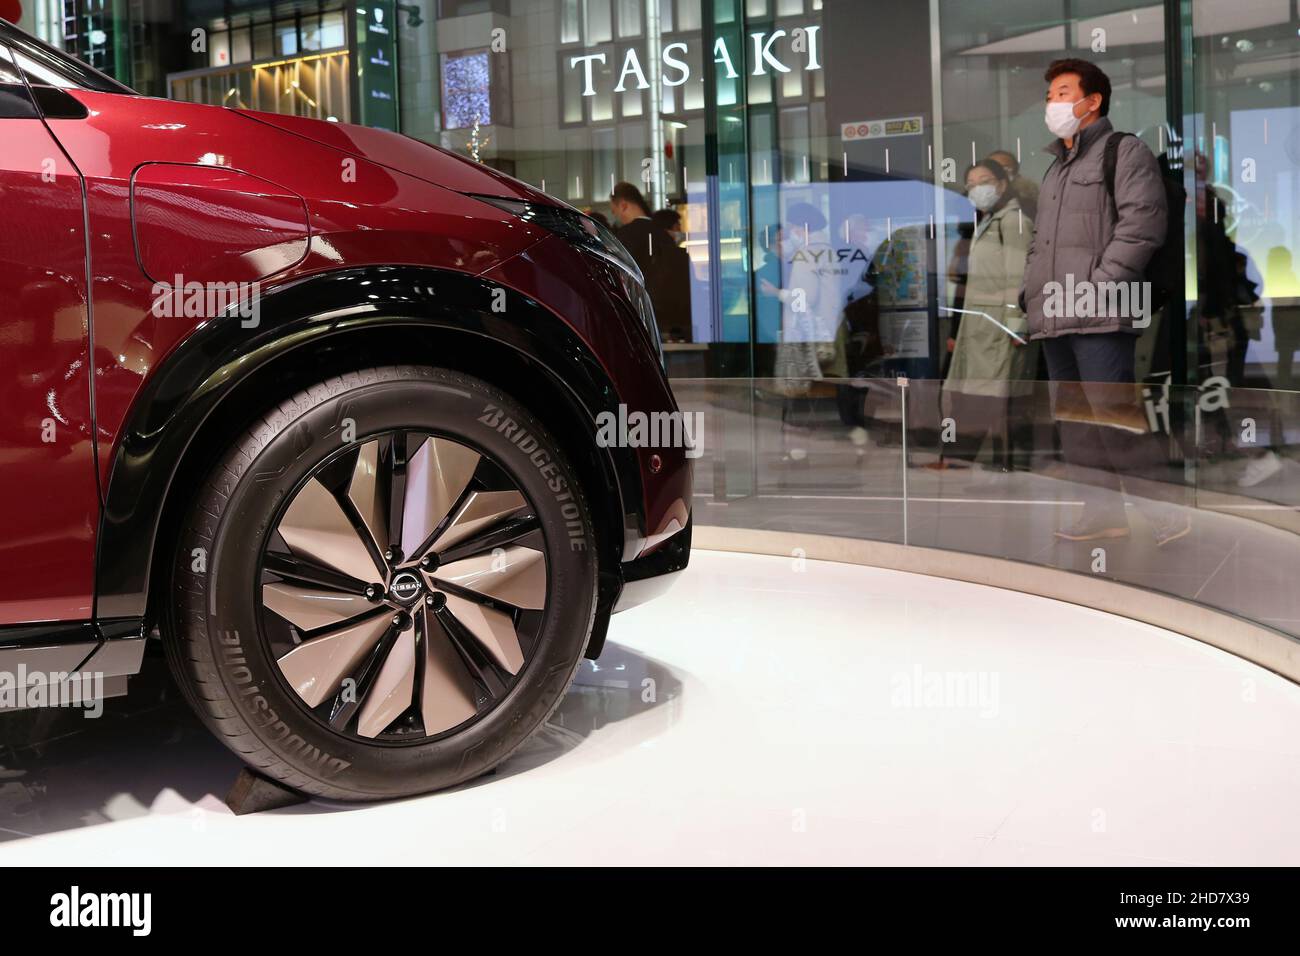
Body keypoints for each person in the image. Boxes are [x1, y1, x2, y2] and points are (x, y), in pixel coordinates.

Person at [1019, 58, 1190, 545]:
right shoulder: (1055, 168)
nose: (1053, 103)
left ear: (1092, 101)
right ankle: (1102, 513)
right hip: (1054, 311)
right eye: (1051, 94)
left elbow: (1143, 225)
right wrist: (1031, 289)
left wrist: (1100, 283)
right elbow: (1041, 243)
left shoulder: (1124, 151)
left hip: (1099, 311)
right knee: (1075, 424)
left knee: (1113, 417)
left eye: (1063, 92)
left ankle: (1165, 513)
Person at [942, 160, 1037, 469]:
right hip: (982, 323)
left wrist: (1016, 325)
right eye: (970, 183)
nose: (977, 187)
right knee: (984, 395)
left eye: (984, 180)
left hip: (1000, 326)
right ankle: (990, 460)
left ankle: (1008, 462)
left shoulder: (1013, 221)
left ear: (1001, 183)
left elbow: (1019, 276)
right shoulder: (989, 222)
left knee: (1001, 396)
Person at [609, 182, 687, 341]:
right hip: (673, 320)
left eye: (615, 212)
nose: (617, 217)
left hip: (642, 320)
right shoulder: (664, 234)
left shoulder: (624, 237)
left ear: (623, 205)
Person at [987, 149, 1039, 223]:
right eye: (993, 168)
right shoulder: (976, 200)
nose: (998, 172)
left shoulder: (1027, 204)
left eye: (1005, 169)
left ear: (1015, 173)